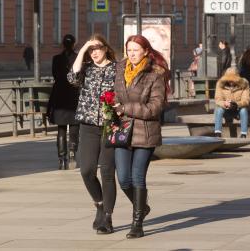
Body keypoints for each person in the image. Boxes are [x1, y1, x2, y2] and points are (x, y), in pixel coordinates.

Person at [113, 34, 170, 239]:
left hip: (145, 133)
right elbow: (114, 94)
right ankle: (142, 206)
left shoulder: (155, 75)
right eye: (129, 50)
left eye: (136, 50)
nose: (132, 54)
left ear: (146, 51)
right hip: (122, 131)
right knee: (123, 179)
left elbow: (155, 108)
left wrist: (125, 108)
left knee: (137, 177)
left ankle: (137, 223)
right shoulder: (120, 70)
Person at [67, 34, 117, 234]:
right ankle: (99, 204)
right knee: (86, 170)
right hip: (88, 126)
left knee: (107, 172)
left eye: (97, 48)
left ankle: (107, 218)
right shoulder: (86, 69)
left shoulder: (117, 68)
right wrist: (82, 50)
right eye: (91, 49)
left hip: (109, 126)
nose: (94, 52)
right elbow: (71, 77)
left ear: (106, 48)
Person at [47, 34, 80, 170]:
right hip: (73, 94)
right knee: (74, 127)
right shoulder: (78, 58)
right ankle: (72, 154)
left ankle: (62, 159)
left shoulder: (56, 59)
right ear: (74, 44)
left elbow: (55, 75)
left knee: (61, 128)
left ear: (62, 44)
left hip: (59, 95)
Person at [214, 67, 250, 138]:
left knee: (244, 110)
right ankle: (217, 134)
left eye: (233, 80)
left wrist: (236, 104)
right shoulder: (220, 84)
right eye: (228, 80)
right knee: (219, 110)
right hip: (225, 108)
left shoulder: (244, 84)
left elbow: (246, 100)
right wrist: (225, 103)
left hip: (238, 109)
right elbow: (218, 99)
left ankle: (243, 134)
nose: (231, 82)